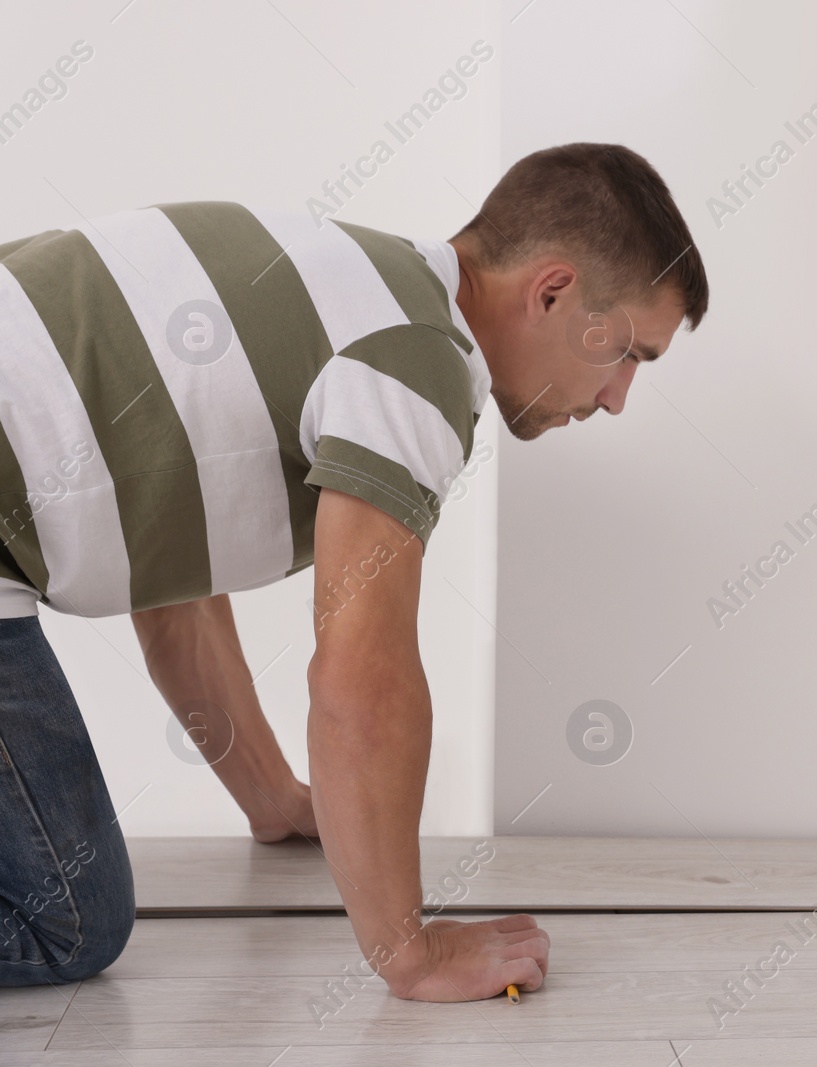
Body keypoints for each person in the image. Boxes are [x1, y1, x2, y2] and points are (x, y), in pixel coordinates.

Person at [0, 142, 709, 1000]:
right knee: (69, 917)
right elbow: (363, 675)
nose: (617, 396)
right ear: (552, 291)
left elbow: (174, 586)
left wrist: (272, 796)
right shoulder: (416, 360)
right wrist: (410, 949)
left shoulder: (359, 287)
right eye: (628, 351)